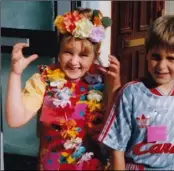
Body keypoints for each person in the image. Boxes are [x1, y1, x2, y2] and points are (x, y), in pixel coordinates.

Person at [5, 8, 121, 170]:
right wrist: (15, 74)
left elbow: (117, 128)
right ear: (59, 51)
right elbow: (15, 120)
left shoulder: (104, 80)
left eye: (83, 55)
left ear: (95, 56)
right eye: (68, 52)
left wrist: (114, 86)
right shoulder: (43, 80)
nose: (74, 61)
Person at [98, 15, 174, 170]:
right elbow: (117, 148)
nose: (161, 66)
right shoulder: (131, 94)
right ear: (147, 53)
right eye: (156, 57)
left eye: (171, 58)